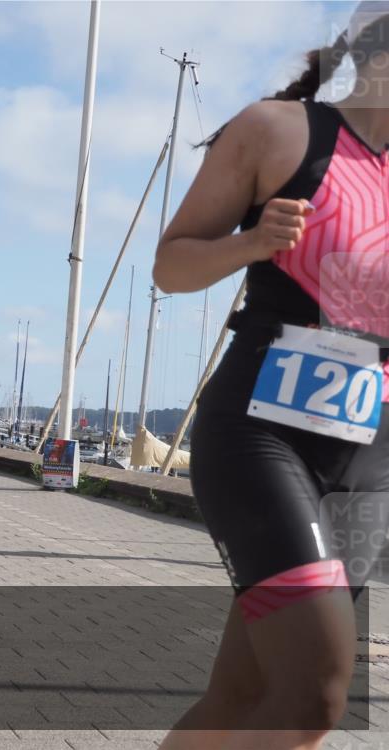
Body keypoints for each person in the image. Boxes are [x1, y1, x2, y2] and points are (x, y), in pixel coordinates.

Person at [154, 5, 389, 749]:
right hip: (261, 438)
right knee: (314, 694)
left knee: (243, 695)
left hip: (368, 463)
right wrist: (253, 242)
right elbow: (172, 264)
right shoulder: (279, 130)